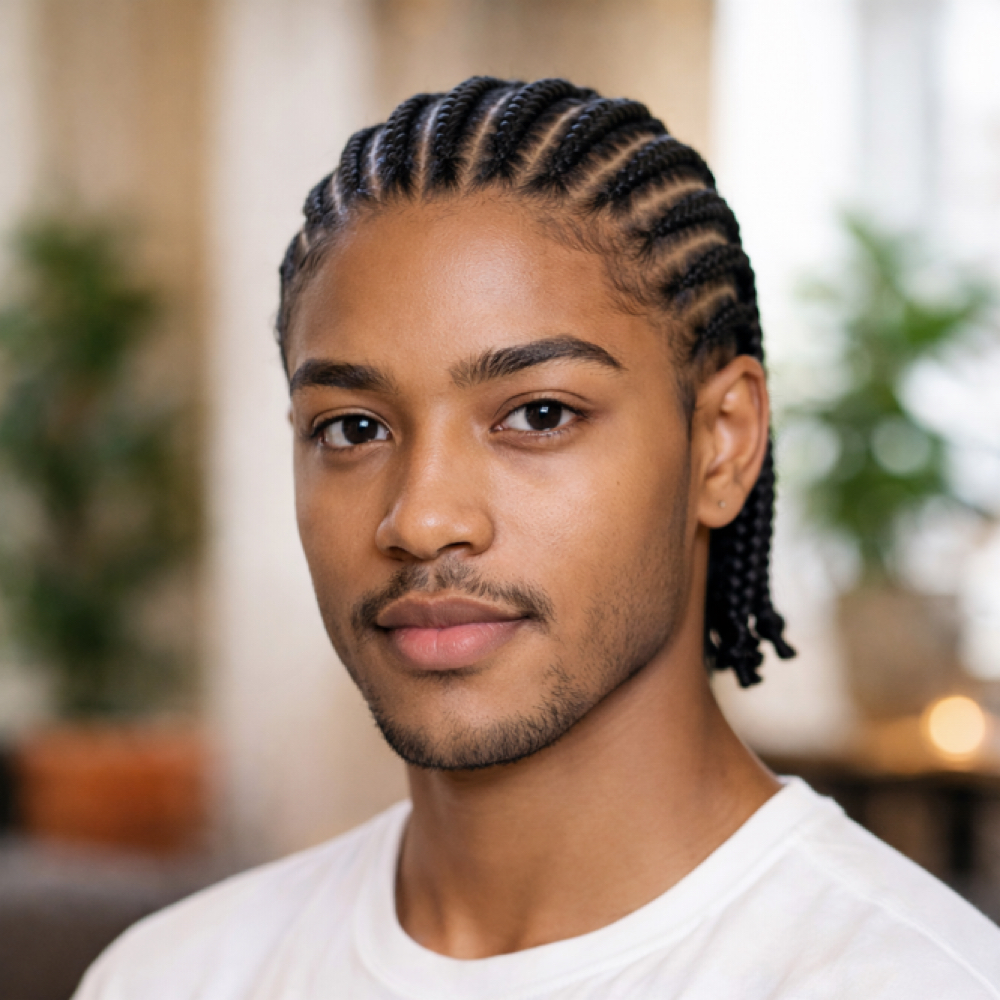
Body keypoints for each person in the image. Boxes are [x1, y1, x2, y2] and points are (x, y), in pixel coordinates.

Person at [75, 77, 1000, 999]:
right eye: (353, 428)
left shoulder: (910, 980)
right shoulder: (169, 976)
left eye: (540, 413)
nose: (423, 518)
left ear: (721, 445)